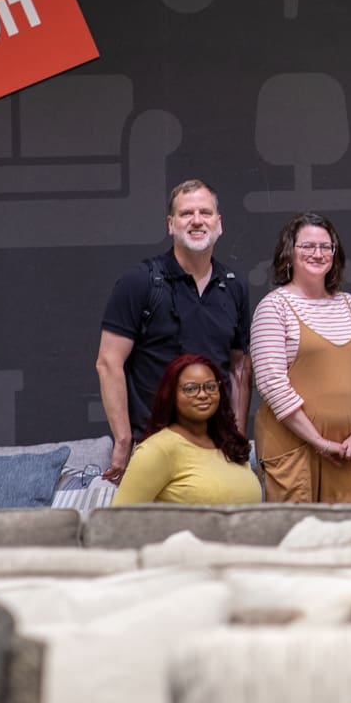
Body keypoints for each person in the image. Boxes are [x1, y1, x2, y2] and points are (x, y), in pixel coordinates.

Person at [95, 180, 251, 483]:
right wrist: (124, 441)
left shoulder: (234, 286)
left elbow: (240, 368)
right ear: (171, 224)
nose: (196, 220)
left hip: (215, 447)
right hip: (155, 445)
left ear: (219, 224)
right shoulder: (140, 281)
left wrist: (238, 436)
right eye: (186, 213)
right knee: (157, 530)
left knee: (222, 529)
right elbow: (108, 363)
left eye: (205, 213)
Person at [250, 212, 351, 503]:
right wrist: (320, 442)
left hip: (350, 451)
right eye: (308, 246)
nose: (318, 253)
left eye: (326, 247)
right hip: (294, 451)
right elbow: (272, 383)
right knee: (299, 541)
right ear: (289, 253)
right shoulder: (274, 307)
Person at [112, 353, 263, 505]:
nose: (203, 395)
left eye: (211, 387)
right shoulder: (157, 449)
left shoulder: (229, 444)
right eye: (191, 389)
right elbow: (116, 520)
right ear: (171, 395)